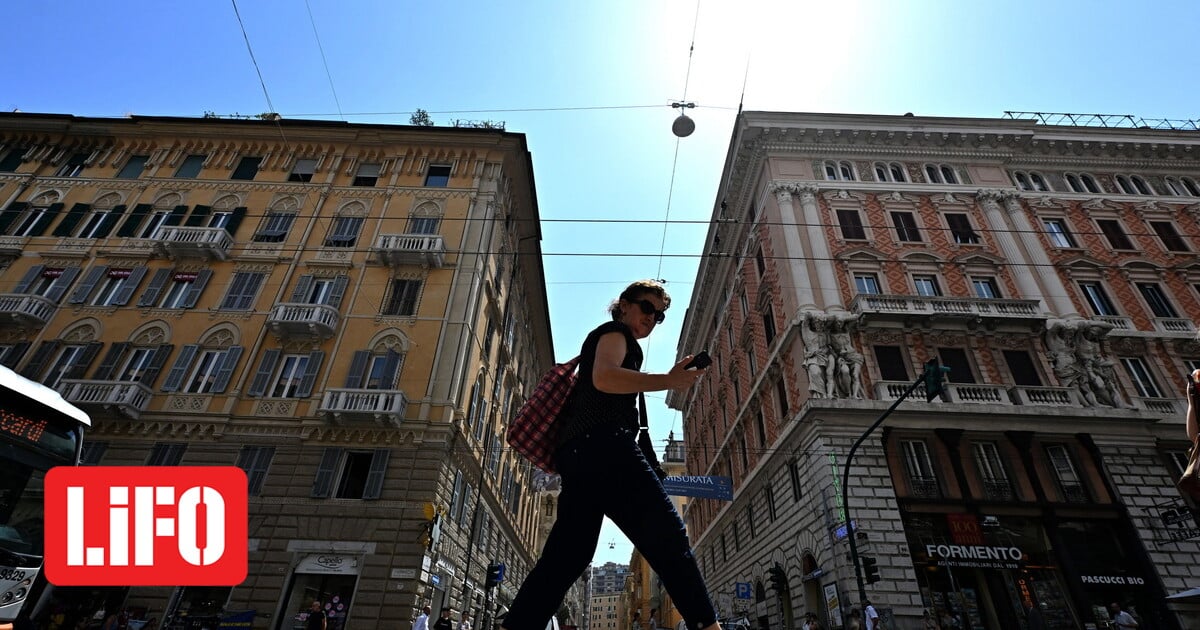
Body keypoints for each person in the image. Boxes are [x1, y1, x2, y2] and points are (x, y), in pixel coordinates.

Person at [500, 280, 717, 630]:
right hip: (605, 448)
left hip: (580, 454)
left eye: (659, 316)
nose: (652, 318)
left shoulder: (618, 339)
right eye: (647, 308)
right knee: (669, 536)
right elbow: (604, 378)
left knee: (567, 557)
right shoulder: (615, 333)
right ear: (625, 305)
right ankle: (709, 626)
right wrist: (668, 380)